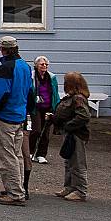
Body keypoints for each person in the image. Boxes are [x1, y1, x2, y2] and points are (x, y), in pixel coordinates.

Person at [0, 36, 32, 206]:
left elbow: (1, 94)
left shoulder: (4, 68)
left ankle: (15, 193)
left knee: (6, 157)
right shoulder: (25, 66)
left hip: (5, 116)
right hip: (19, 115)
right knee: (17, 155)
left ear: (2, 48)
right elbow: (30, 92)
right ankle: (18, 188)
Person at [51, 71, 91, 202]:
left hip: (77, 134)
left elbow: (83, 116)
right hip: (69, 133)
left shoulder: (78, 98)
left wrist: (69, 125)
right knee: (69, 161)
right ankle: (69, 187)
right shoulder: (72, 97)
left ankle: (80, 191)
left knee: (78, 162)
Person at [29, 56, 60, 164]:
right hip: (36, 107)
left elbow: (55, 93)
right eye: (42, 64)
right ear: (36, 65)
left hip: (48, 107)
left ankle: (41, 154)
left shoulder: (51, 77)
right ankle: (30, 152)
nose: (45, 66)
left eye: (46, 64)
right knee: (36, 130)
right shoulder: (32, 76)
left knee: (46, 132)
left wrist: (55, 107)